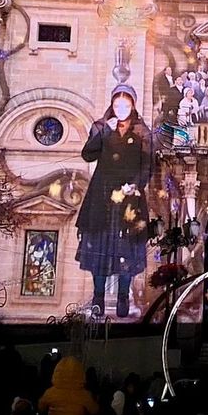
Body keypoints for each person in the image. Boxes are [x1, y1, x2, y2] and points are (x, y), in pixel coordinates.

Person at [75, 83, 155, 317]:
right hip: (102, 192)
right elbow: (87, 154)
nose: (121, 109)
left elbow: (148, 164)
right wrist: (105, 134)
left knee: (127, 246)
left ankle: (123, 294)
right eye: (117, 104)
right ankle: (98, 296)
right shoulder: (101, 126)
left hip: (129, 195)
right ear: (112, 104)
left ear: (133, 105)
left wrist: (136, 185)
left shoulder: (142, 131)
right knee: (100, 245)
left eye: (126, 105)